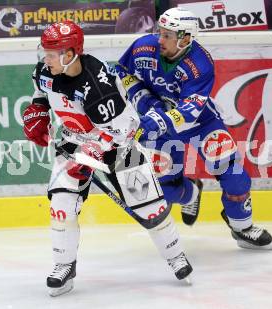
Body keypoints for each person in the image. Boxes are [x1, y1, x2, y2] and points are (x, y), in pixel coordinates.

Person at [22, 20, 193, 297]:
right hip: (74, 142)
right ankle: (63, 266)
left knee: (150, 207)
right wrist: (38, 112)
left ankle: (175, 256)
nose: (46, 58)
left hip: (119, 146)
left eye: (52, 53)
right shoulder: (45, 70)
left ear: (69, 55)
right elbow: (41, 93)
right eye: (46, 52)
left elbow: (125, 130)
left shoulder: (98, 85)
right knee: (62, 205)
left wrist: (93, 151)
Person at [116, 7, 272, 249]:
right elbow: (123, 72)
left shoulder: (200, 63)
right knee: (162, 188)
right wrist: (145, 102)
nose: (160, 39)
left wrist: (160, 120)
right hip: (157, 122)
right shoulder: (143, 47)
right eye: (160, 32)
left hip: (200, 122)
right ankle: (190, 193)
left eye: (168, 35)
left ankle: (242, 227)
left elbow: (189, 112)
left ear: (186, 38)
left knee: (234, 173)